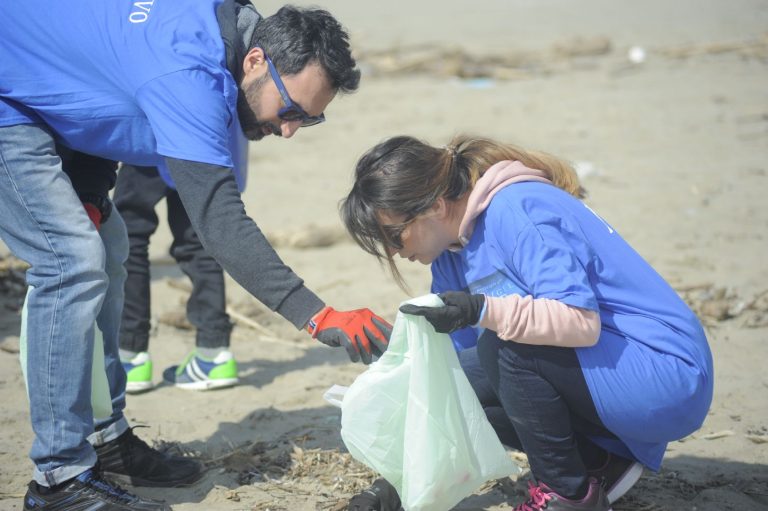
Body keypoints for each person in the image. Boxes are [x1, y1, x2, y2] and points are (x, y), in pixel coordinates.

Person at [1, 1, 391, 509]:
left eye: (309, 120)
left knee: (108, 243)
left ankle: (105, 436)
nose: (290, 130)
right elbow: (218, 220)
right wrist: (315, 315)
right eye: (291, 110)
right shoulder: (190, 74)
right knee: (71, 261)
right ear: (255, 61)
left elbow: (103, 81)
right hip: (10, 105)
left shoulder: (224, 26)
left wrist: (91, 190)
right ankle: (58, 478)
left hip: (44, 86)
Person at [340, 135, 713, 511]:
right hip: (609, 375)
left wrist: (482, 310)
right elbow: (445, 389)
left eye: (392, 234)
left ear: (435, 206)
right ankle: (596, 459)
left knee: (503, 348)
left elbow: (580, 322)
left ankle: (568, 497)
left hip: (667, 374)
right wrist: (391, 487)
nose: (392, 251)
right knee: (454, 379)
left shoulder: (517, 209)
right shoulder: (450, 256)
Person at [114, 163, 241, 393]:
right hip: (200, 144)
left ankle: (130, 358)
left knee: (129, 232)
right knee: (198, 235)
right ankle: (214, 354)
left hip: (153, 139)